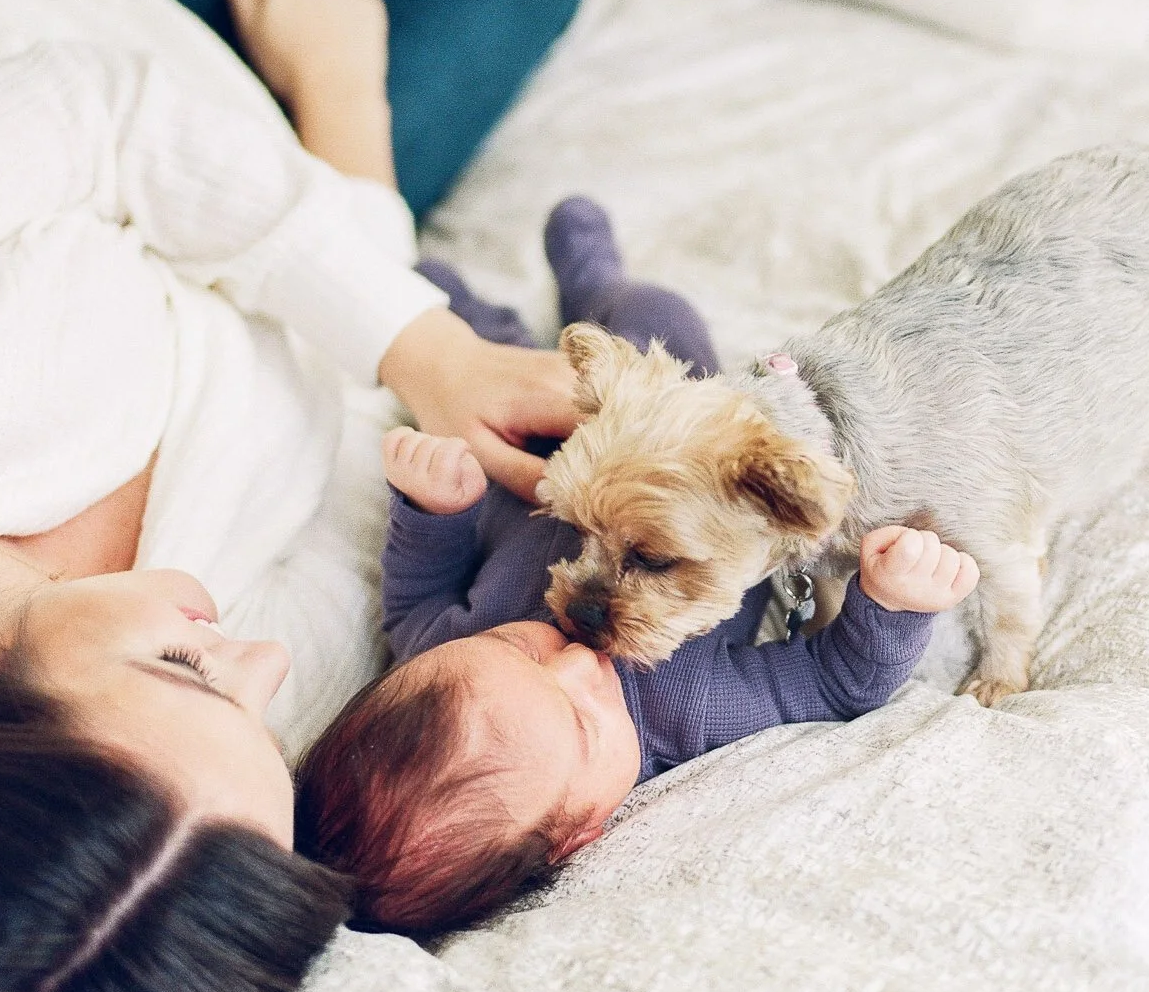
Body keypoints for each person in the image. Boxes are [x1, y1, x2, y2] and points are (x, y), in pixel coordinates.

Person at [0, 0, 599, 992]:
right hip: (326, 191)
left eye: (194, 672)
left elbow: (94, 112)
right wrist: (345, 105)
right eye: (259, 721)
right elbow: (356, 451)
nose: (255, 659)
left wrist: (425, 340)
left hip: (66, 9)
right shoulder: (221, 772)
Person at [294, 200, 979, 938]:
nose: (581, 656)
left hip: (517, 446)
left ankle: (511, 298)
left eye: (515, 647)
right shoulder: (697, 712)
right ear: (582, 833)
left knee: (546, 342)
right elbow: (837, 682)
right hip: (675, 472)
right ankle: (591, 280)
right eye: (586, 726)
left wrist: (435, 508)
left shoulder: (436, 663)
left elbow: (415, 595)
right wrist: (892, 605)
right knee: (667, 329)